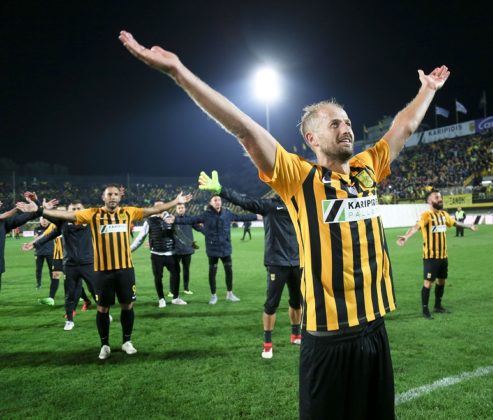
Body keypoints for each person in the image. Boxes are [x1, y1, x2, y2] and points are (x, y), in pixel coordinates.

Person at [120, 30, 449, 418]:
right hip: (328, 337)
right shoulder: (299, 177)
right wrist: (179, 72)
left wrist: (427, 90)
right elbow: (244, 128)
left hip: (375, 329)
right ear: (312, 138)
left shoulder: (368, 167)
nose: (346, 128)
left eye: (347, 122)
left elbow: (403, 127)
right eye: (334, 124)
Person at [19, 185, 192, 359]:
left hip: (125, 269)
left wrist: (176, 201)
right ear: (103, 197)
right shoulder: (92, 214)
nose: (113, 197)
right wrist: (40, 209)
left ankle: (127, 341)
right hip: (102, 271)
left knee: (127, 306)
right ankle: (105, 345)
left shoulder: (128, 212)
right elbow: (66, 216)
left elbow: (154, 210)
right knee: (102, 308)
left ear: (120, 197)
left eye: (116, 194)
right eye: (109, 194)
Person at [200, 171, 301, 359]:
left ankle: (296, 334)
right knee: (271, 305)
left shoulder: (301, 205)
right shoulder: (269, 205)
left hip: (298, 262)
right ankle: (267, 344)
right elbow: (243, 201)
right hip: (276, 263)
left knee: (297, 302)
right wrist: (221, 190)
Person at [396, 190, 478, 319]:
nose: (440, 199)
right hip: (431, 257)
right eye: (436, 197)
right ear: (429, 201)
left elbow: (455, 223)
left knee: (441, 281)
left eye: (440, 197)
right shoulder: (426, 215)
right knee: (428, 283)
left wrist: (469, 226)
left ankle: (438, 306)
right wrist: (406, 236)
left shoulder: (444, 214)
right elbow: (416, 226)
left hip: (443, 256)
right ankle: (425, 310)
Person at [25, 200, 97, 330]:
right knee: (69, 294)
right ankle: (69, 320)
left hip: (88, 263)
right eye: (73, 209)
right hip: (70, 265)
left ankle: (103, 314)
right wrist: (35, 244)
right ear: (68, 211)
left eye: (78, 208)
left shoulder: (91, 221)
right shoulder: (63, 223)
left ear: (84, 210)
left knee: (95, 290)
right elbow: (49, 233)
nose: (76, 211)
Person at [174, 194, 257, 304]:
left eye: (219, 200)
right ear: (211, 203)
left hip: (225, 248)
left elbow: (240, 217)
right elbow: (190, 220)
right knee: (212, 273)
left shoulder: (227, 213)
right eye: (215, 200)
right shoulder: (206, 215)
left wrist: (257, 216)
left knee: (229, 271)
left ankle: (230, 294)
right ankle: (213, 296)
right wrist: (175, 220)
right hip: (212, 249)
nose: (218, 202)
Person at [130, 201, 187, 307]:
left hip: (171, 254)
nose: (160, 207)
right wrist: (129, 250)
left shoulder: (171, 218)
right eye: (157, 206)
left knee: (176, 275)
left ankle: (176, 298)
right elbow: (140, 238)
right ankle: (161, 299)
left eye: (161, 205)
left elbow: (179, 234)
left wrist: (189, 243)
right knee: (158, 277)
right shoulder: (149, 221)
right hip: (156, 255)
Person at [0, 197, 46, 293]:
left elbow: (28, 216)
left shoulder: (3, 222)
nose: (1, 203)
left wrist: (38, 206)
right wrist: (15, 209)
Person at [23, 217, 55, 297]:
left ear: (48, 220)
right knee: (38, 270)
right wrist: (30, 244)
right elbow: (36, 238)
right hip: (39, 252)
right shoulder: (37, 229)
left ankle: (53, 283)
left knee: (51, 269)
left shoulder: (52, 227)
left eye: (45, 220)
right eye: (42, 220)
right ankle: (38, 284)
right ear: (40, 221)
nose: (44, 221)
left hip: (50, 252)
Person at [172, 202, 200, 295]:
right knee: (175, 271)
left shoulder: (190, 219)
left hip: (187, 249)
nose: (181, 209)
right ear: (176, 209)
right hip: (176, 249)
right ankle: (173, 290)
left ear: (185, 209)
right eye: (179, 208)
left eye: (182, 207)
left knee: (186, 270)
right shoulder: (172, 219)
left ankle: (186, 288)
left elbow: (198, 228)